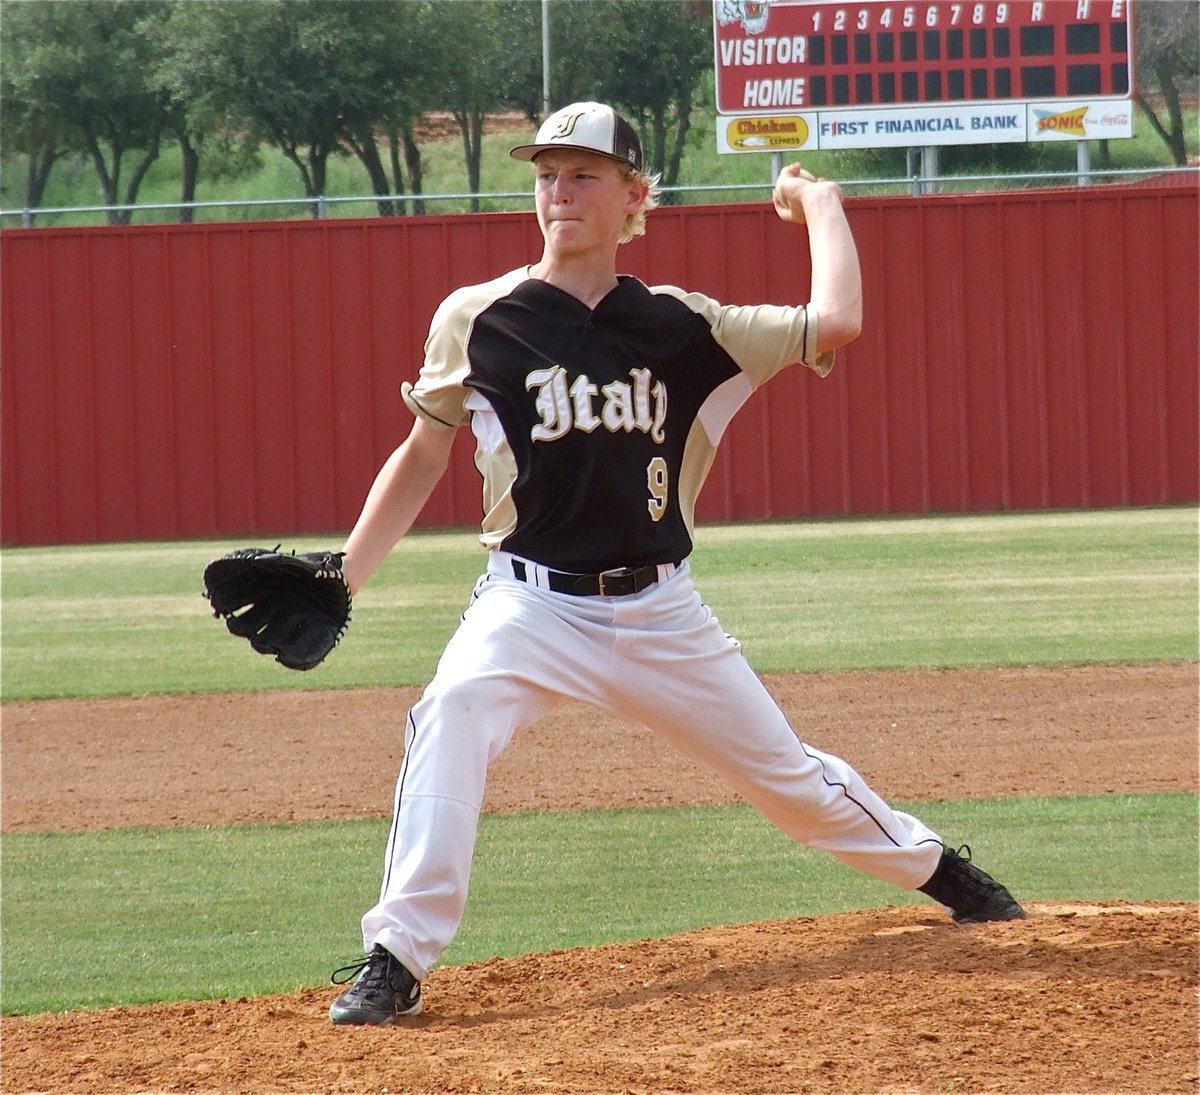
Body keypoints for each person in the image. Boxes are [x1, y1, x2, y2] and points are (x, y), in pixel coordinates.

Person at [328, 102, 1025, 1027]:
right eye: (546, 173)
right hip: (526, 604)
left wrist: (819, 202)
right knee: (449, 711)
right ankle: (396, 954)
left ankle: (944, 870)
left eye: (583, 175)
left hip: (661, 611)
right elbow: (422, 455)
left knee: (792, 785)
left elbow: (838, 321)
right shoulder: (477, 318)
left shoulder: (683, 327)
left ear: (634, 196)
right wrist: (344, 577)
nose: (559, 192)